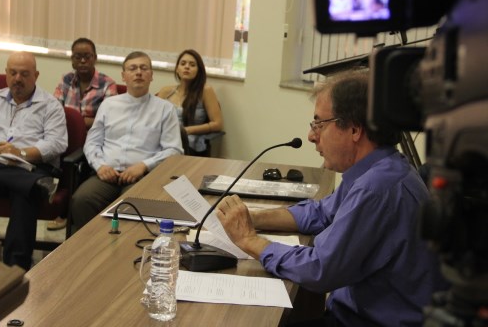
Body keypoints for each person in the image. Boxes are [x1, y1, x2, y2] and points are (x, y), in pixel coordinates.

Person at [216, 71, 446, 327]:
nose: (311, 136)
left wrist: (250, 240)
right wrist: (254, 218)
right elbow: (320, 213)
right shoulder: (378, 168)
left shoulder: (378, 187)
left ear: (355, 129)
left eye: (319, 124)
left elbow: (320, 269)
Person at [0, 51, 67, 270]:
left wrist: (21, 153)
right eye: (13, 73)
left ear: (36, 75)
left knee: (23, 192)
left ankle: (15, 266)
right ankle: (36, 186)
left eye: (24, 74)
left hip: (32, 166)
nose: (17, 78)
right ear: (6, 74)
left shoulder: (50, 105)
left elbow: (57, 143)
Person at [70, 51, 183, 233]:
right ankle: (91, 251)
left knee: (131, 206)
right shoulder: (109, 105)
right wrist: (100, 166)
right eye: (132, 68)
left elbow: (174, 150)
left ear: (151, 75)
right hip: (106, 175)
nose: (138, 72)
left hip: (142, 177)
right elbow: (91, 143)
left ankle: (119, 255)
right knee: (82, 200)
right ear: (124, 76)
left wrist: (144, 166)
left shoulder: (165, 109)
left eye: (144, 68)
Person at [48, 37, 118, 231]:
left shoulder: (107, 84)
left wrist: (75, 120)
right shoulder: (66, 80)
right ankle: (56, 206)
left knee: (77, 162)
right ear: (72, 60)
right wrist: (84, 121)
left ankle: (68, 214)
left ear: (95, 58)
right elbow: (55, 111)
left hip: (95, 141)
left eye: (87, 56)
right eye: (78, 57)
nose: (82, 61)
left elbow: (108, 120)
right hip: (66, 136)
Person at [157, 49, 223, 156]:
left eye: (192, 65)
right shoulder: (165, 91)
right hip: (164, 140)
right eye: (183, 64)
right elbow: (154, 119)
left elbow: (217, 124)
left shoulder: (205, 91)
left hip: (189, 145)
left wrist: (185, 131)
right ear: (177, 69)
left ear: (199, 70)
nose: (187, 67)